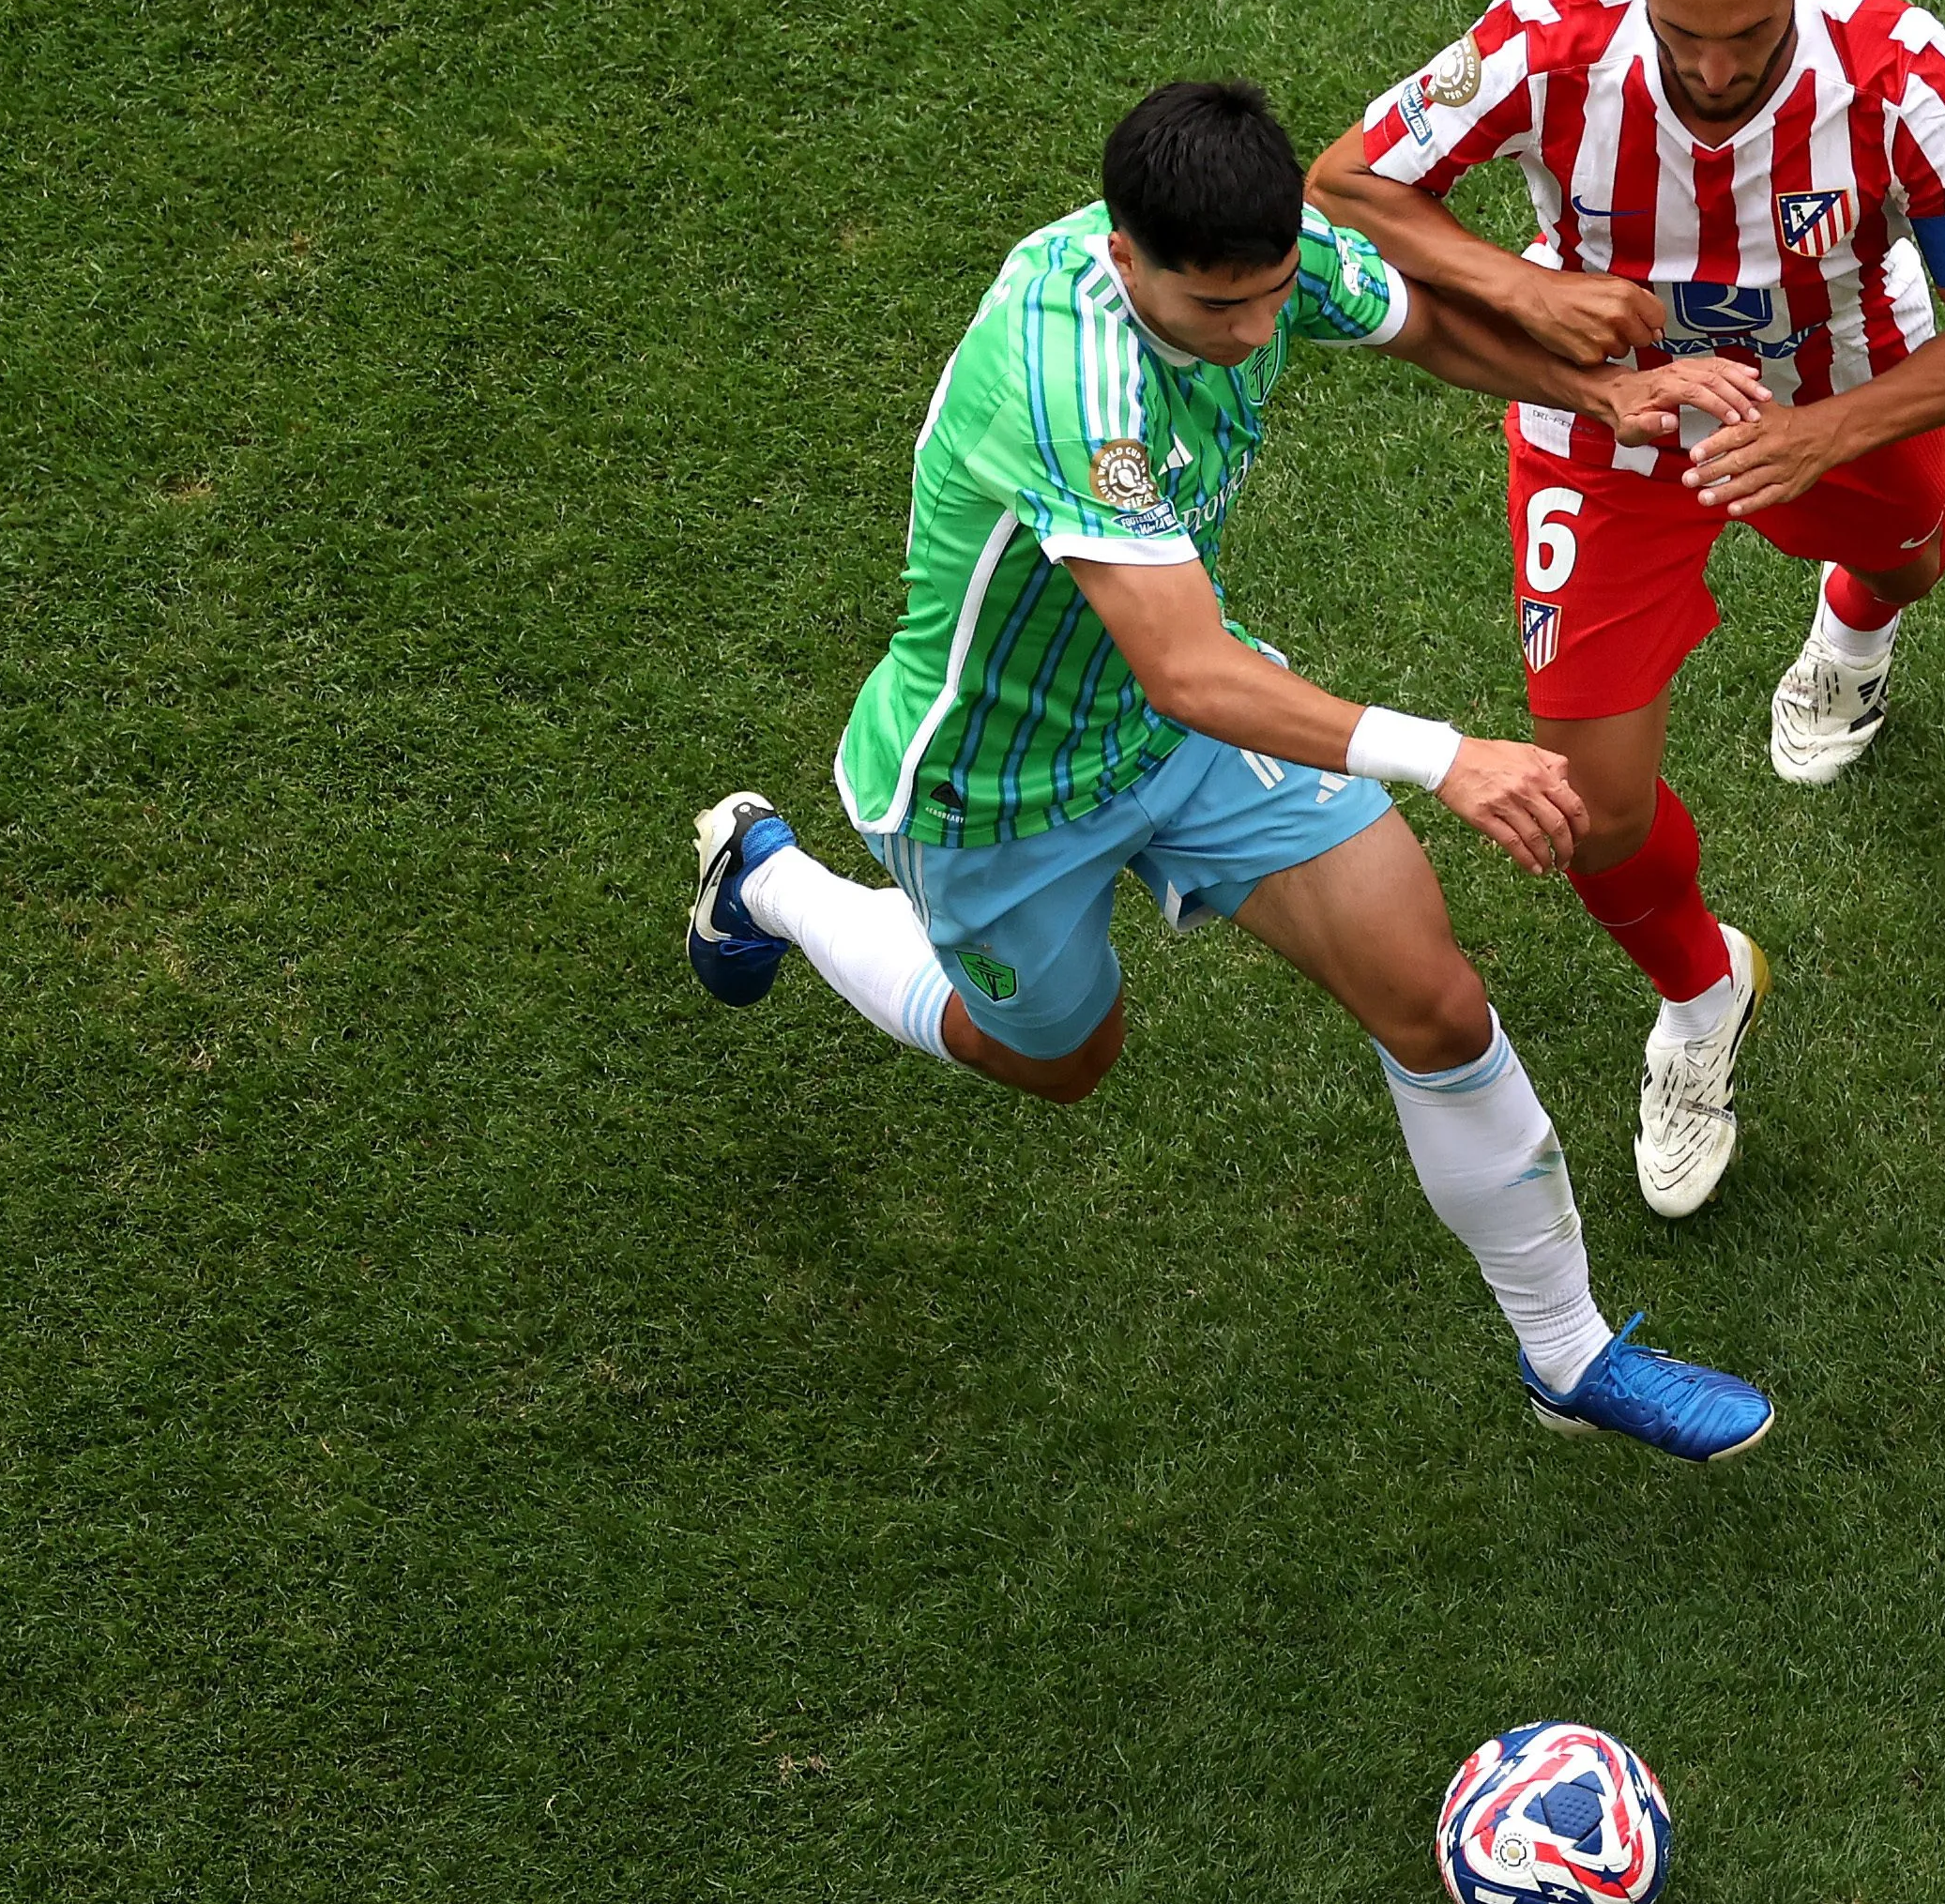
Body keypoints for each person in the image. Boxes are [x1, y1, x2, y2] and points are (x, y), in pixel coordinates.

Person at [684, 81, 1777, 1461]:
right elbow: (1183, 664)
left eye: (1269, 297)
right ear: (1127, 252)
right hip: (996, 788)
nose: (1256, 332)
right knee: (1058, 1060)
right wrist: (1446, 759)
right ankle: (767, 882)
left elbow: (1413, 319)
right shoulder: (1065, 378)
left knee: (1431, 999)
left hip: (1184, 736)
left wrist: (1601, 392)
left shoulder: (1263, 251)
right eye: (1217, 313)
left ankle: (1567, 1353)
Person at [1310, 0, 1945, 1221]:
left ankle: (1851, 630)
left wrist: (1817, 435)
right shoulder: (1544, 41)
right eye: (1681, 34)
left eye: (1750, 36)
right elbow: (1346, 184)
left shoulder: (1905, 77)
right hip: (1608, 422)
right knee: (1589, 808)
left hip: (1838, 397)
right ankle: (1704, 997)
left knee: (1913, 561)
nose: (1714, 74)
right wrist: (1526, 293)